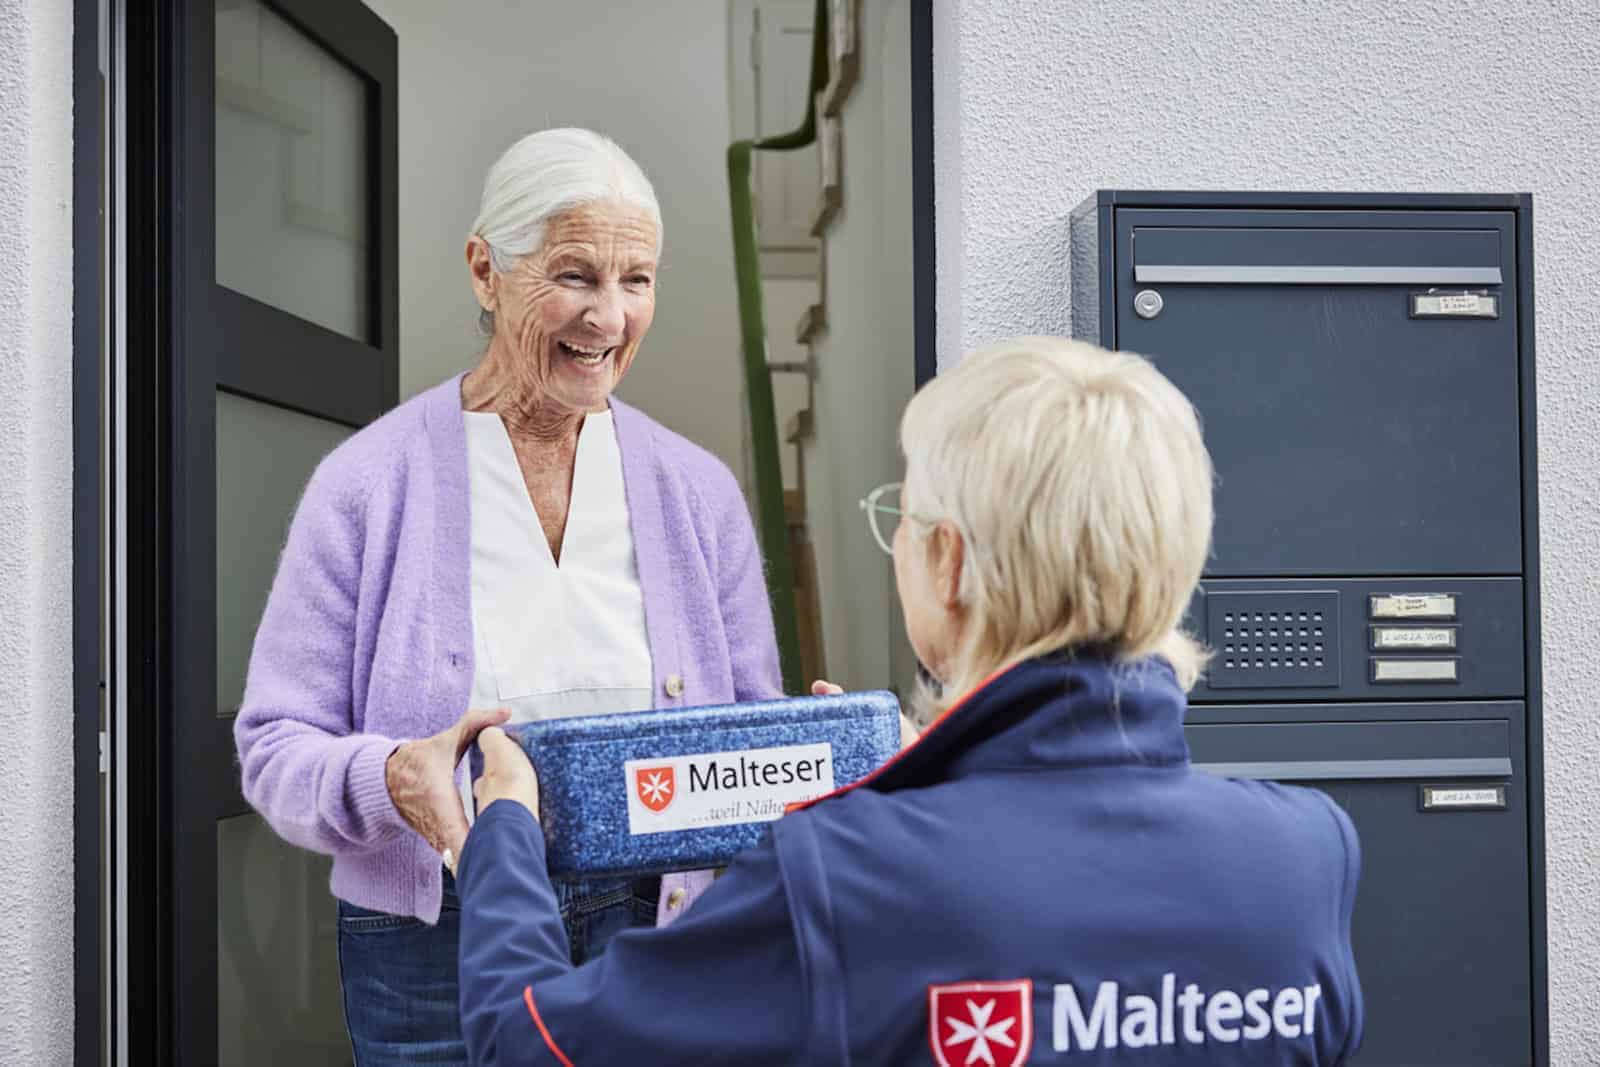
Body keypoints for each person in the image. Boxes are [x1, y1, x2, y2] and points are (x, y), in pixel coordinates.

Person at [456, 336, 1365, 1065]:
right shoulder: (1304, 854)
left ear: (952, 561)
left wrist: (502, 826)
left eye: (907, 517)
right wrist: (924, 781)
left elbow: (529, 1038)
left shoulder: (844, 872)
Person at [233, 128, 789, 1065]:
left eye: (637, 280)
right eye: (576, 275)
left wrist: (809, 758)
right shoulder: (367, 483)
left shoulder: (697, 492)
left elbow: (750, 725)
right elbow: (274, 747)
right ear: (486, 271)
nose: (609, 318)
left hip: (654, 908)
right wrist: (388, 781)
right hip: (433, 932)